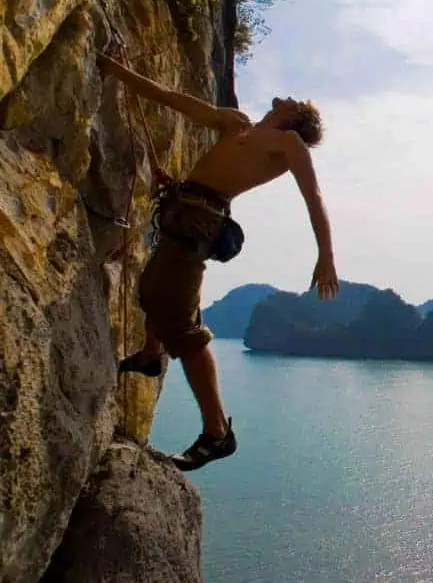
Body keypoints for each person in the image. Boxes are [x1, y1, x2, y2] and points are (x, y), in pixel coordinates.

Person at [97, 52, 341, 471]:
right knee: (151, 290)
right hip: (184, 209)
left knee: (184, 326)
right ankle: (152, 355)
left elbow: (313, 197)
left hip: (201, 222)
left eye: (292, 99)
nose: (283, 95)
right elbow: (173, 98)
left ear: (296, 115)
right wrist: (117, 69)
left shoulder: (288, 145)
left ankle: (216, 433)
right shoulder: (235, 123)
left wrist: (326, 255)